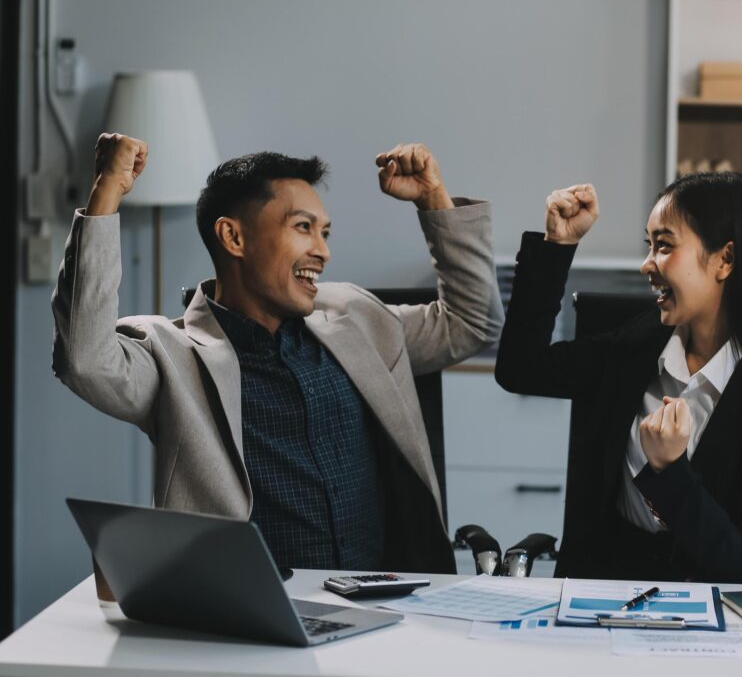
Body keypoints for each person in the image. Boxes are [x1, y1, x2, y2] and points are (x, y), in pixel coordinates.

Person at [52, 133, 503, 573]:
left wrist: (434, 199)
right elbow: (85, 361)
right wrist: (106, 192)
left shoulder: (357, 319)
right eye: (303, 227)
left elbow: (473, 323)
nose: (322, 251)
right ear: (233, 238)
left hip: (388, 608)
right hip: (249, 620)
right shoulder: (173, 356)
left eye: (325, 232)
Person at [495, 172, 742, 583]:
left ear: (724, 260)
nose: (646, 264)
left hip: (719, 604)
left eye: (664, 246)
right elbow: (520, 369)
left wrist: (669, 469)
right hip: (606, 588)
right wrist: (557, 247)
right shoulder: (637, 344)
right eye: (649, 245)